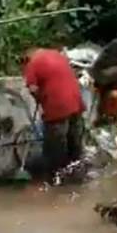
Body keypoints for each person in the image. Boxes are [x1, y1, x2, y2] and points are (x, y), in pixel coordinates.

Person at [23, 47, 85, 176]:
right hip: (76, 103)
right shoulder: (58, 55)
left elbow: (33, 88)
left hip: (57, 107)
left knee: (55, 149)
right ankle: (78, 178)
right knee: (75, 146)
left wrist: (40, 100)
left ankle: (57, 183)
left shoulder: (32, 63)